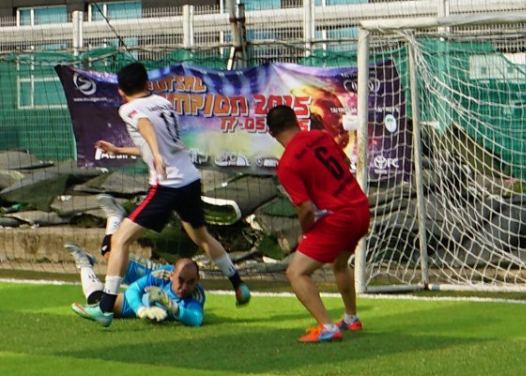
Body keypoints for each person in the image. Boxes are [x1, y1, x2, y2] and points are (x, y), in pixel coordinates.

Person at [73, 62, 250, 328]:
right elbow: (158, 143)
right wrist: (121, 150)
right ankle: (238, 285)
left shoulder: (128, 109)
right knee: (201, 237)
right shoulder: (163, 103)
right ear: (148, 84)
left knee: (119, 241)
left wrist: (155, 153)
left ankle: (106, 308)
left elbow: (146, 128)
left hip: (167, 186)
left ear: (121, 91)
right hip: (190, 179)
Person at [266, 104, 370, 343]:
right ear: (296, 121)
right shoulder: (321, 137)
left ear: (271, 133)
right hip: (360, 208)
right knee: (340, 263)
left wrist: (307, 233)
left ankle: (327, 326)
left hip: (339, 217)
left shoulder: (288, 163)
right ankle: (351, 318)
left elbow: (304, 208)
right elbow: (344, 162)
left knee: (296, 272)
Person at [66, 242, 205, 327]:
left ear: (197, 279)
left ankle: (85, 264)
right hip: (148, 274)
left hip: (148, 295)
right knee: (112, 254)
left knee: (98, 301)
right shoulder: (162, 274)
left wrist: (170, 305)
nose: (185, 287)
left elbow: (196, 319)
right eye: (181, 281)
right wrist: (141, 310)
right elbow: (133, 290)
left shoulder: (196, 295)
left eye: (191, 282)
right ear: (172, 276)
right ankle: (115, 216)